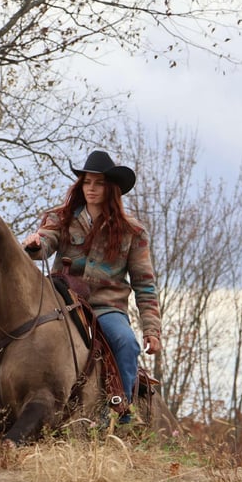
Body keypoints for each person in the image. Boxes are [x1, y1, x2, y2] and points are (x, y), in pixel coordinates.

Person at [23, 150, 162, 423]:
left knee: (125, 342)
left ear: (111, 188)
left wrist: (152, 329)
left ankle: (120, 412)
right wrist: (35, 244)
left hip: (105, 307)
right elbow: (45, 242)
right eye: (87, 182)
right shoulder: (60, 218)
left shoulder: (132, 232)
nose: (91, 189)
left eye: (98, 183)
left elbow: (145, 284)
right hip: (63, 300)